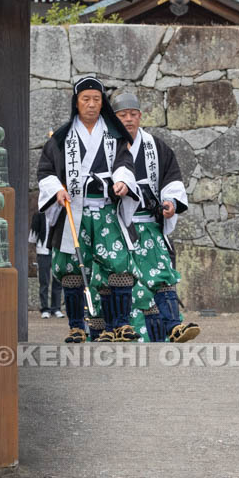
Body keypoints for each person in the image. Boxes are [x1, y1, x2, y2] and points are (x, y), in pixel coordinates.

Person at [36, 76, 137, 344]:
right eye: (86, 99)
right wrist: (57, 189)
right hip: (74, 209)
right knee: (71, 268)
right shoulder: (61, 137)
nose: (92, 105)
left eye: (96, 99)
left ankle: (120, 324)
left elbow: (126, 163)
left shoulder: (114, 135)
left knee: (116, 263)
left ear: (102, 102)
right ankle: (77, 326)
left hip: (105, 209)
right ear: (76, 102)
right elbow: (45, 171)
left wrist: (123, 182)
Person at [111, 92, 200, 344]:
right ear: (114, 119)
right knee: (118, 280)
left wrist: (170, 203)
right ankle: (119, 329)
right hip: (118, 226)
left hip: (149, 225)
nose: (128, 119)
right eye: (122, 115)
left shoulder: (157, 148)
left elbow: (172, 180)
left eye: (132, 114)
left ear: (140, 116)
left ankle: (172, 327)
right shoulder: (108, 147)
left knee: (162, 275)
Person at [29, 210, 63, 319]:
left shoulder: (60, 213)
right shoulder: (39, 215)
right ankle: (44, 308)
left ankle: (56, 308)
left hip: (57, 250)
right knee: (44, 280)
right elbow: (33, 237)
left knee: (57, 280)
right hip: (43, 250)